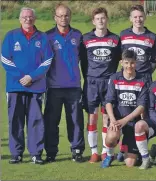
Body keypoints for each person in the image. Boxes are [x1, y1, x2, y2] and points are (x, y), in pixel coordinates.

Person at [2, 7, 54, 165]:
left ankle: (36, 154)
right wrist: (21, 78)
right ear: (19, 19)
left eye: (30, 17)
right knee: (15, 121)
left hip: (36, 86)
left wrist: (32, 76)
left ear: (35, 19)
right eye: (24, 17)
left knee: (36, 121)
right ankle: (16, 154)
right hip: (15, 87)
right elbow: (5, 59)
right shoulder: (11, 36)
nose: (27, 19)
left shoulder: (43, 37)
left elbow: (48, 60)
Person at [44, 3, 86, 163]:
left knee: (75, 120)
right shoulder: (47, 36)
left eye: (66, 15)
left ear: (70, 16)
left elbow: (83, 60)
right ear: (55, 17)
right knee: (51, 121)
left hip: (74, 86)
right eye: (60, 15)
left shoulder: (77, 35)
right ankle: (51, 152)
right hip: (54, 87)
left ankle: (77, 150)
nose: (63, 18)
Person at [118, 4, 156, 161]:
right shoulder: (123, 35)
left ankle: (143, 150)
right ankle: (124, 148)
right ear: (130, 19)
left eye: (141, 16)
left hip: (144, 80)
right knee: (126, 110)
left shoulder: (152, 37)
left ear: (145, 17)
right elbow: (120, 58)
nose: (138, 19)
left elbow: (155, 59)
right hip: (128, 79)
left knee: (143, 114)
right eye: (135, 17)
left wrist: (147, 72)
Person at [80, 7, 121, 163]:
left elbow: (118, 59)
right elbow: (83, 61)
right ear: (93, 21)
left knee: (106, 117)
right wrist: (89, 77)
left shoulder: (115, 39)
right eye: (97, 19)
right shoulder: (85, 39)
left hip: (108, 83)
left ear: (107, 19)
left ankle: (105, 150)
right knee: (91, 117)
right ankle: (93, 152)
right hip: (91, 82)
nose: (101, 21)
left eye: (103, 18)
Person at [101, 50, 151, 169]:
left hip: (132, 121)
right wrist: (113, 120)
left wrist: (126, 120)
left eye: (132, 63)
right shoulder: (114, 78)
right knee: (111, 137)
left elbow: (141, 106)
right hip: (117, 119)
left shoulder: (142, 80)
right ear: (121, 63)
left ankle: (125, 150)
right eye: (126, 63)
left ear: (136, 63)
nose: (129, 66)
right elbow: (108, 101)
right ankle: (109, 155)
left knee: (130, 163)